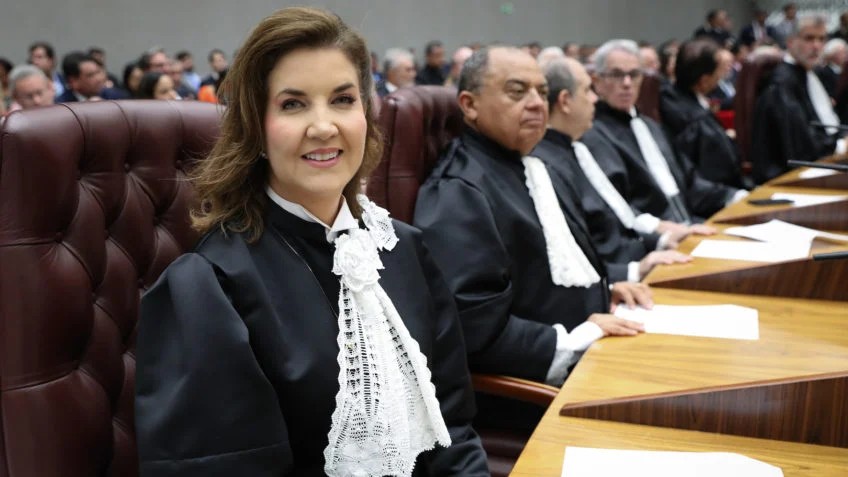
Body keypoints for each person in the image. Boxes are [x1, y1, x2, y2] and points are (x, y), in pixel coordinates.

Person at [134, 7, 489, 476]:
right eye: (293, 104)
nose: (324, 127)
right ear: (255, 127)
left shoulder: (406, 251)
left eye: (342, 99)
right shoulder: (209, 288)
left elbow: (454, 429)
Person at [414, 46, 648, 389]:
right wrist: (580, 338)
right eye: (517, 91)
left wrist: (604, 290)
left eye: (542, 91)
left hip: (592, 350)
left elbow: (542, 280)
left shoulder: (530, 165)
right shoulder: (458, 191)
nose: (538, 103)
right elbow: (475, 328)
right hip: (539, 389)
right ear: (470, 105)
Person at [533, 57, 692, 283]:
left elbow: (616, 220)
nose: (594, 98)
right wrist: (633, 271)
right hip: (614, 281)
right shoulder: (549, 166)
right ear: (565, 101)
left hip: (635, 260)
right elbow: (581, 253)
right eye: (587, 90)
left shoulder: (573, 148)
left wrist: (660, 240)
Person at [591, 39, 745, 223]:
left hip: (691, 222)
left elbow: (690, 183)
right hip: (655, 234)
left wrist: (733, 196)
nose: (627, 83)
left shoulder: (651, 127)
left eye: (634, 74)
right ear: (597, 81)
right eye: (616, 75)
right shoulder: (593, 136)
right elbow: (620, 207)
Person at [752, 15, 847, 184]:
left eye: (821, 39)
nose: (816, 46)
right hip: (786, 178)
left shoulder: (807, 74)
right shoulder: (783, 83)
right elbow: (800, 146)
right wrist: (840, 145)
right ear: (790, 42)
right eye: (809, 38)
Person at [660, 39, 749, 189]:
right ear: (704, 81)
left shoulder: (668, 97)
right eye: (719, 71)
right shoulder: (696, 120)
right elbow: (722, 171)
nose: (722, 76)